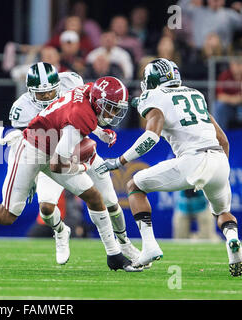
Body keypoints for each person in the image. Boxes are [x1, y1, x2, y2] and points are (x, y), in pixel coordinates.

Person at [0, 70, 142, 272]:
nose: (114, 114)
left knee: (94, 197)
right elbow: (57, 165)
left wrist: (98, 132)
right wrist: (83, 167)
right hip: (31, 152)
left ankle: (114, 255)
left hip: (55, 147)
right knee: (6, 215)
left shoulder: (87, 89)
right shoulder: (78, 115)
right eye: (111, 108)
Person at [98, 58, 241, 277]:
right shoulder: (195, 94)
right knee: (222, 212)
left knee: (134, 184)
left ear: (152, 80)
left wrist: (120, 161)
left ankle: (149, 247)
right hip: (219, 159)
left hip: (192, 159)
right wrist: (218, 171)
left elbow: (151, 137)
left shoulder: (153, 96)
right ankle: (233, 242)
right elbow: (224, 139)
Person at [178, 0, 242, 50]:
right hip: (198, 54)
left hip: (221, 54)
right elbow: (180, 7)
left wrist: (240, 9)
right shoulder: (198, 11)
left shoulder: (229, 14)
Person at [213, 58, 242, 129]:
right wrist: (234, 99)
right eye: (235, 64)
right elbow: (220, 96)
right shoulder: (224, 75)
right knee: (219, 105)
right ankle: (221, 134)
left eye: (239, 64)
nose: (237, 67)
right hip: (229, 107)